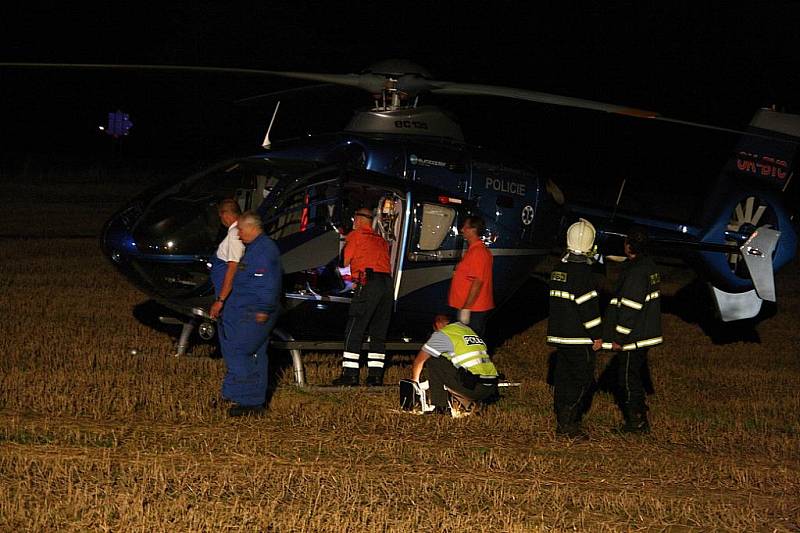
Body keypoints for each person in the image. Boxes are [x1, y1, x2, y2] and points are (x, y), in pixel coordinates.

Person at [219, 211, 282, 416]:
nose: (238, 235)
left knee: (240, 351)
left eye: (241, 230)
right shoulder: (255, 248)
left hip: (256, 312)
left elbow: (268, 284)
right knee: (256, 354)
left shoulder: (264, 251)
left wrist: (263, 310)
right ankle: (238, 395)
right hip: (248, 310)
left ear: (252, 227)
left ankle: (249, 401)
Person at [601, 226, 662, 433]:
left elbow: (630, 308)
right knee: (634, 374)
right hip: (644, 333)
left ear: (629, 246)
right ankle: (639, 413)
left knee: (626, 378)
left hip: (634, 336)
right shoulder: (649, 266)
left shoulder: (636, 272)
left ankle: (637, 422)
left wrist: (619, 337)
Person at [546, 218, 603, 437]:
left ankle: (562, 421)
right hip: (579, 339)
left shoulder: (558, 270)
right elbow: (588, 310)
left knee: (563, 379)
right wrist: (596, 336)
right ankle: (570, 423)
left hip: (560, 337)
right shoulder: (583, 275)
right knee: (582, 380)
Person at [332, 207, 393, 387]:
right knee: (378, 332)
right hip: (386, 284)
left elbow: (343, 261)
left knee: (354, 329)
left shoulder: (356, 235)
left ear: (358, 220)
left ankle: (350, 374)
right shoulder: (381, 240)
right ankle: (375, 376)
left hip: (368, 282)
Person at [410, 314, 499, 415]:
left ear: (438, 324)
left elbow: (419, 360)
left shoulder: (442, 334)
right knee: (451, 364)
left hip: (474, 388)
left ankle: (440, 407)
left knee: (434, 359)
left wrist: (415, 382)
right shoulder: (466, 330)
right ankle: (470, 404)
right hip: (491, 388)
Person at [448, 215, 494, 338]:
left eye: (465, 227)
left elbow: (478, 282)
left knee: (470, 343)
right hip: (470, 307)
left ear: (473, 230)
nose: (462, 230)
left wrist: (466, 308)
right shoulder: (474, 250)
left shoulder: (478, 252)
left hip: (474, 309)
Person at [209, 199, 244, 321]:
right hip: (224, 286)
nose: (221, 220)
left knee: (228, 321)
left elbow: (233, 267)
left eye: (221, 216)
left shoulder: (235, 234)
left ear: (225, 215)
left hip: (226, 292)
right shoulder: (241, 229)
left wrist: (220, 300)